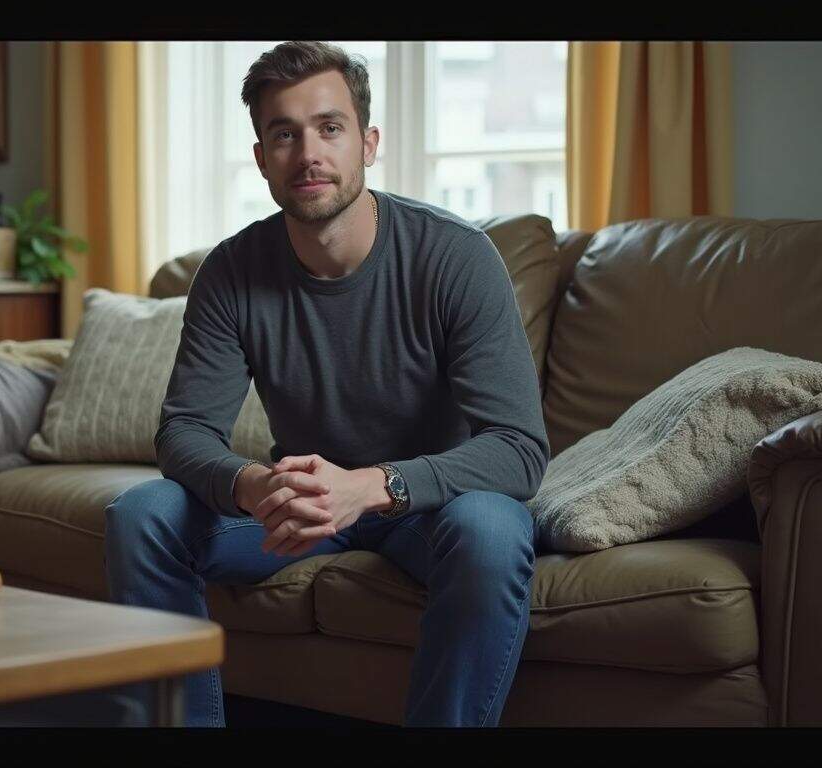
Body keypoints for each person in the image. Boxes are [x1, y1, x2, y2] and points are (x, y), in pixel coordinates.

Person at [103, 41, 549, 727]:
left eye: (329, 128)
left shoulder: (457, 257)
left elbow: (519, 450)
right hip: (301, 512)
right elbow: (185, 431)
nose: (307, 153)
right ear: (261, 158)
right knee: (143, 515)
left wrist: (369, 487)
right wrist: (254, 485)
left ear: (367, 142)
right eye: (284, 134)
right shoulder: (230, 272)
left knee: (493, 528)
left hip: (429, 509)